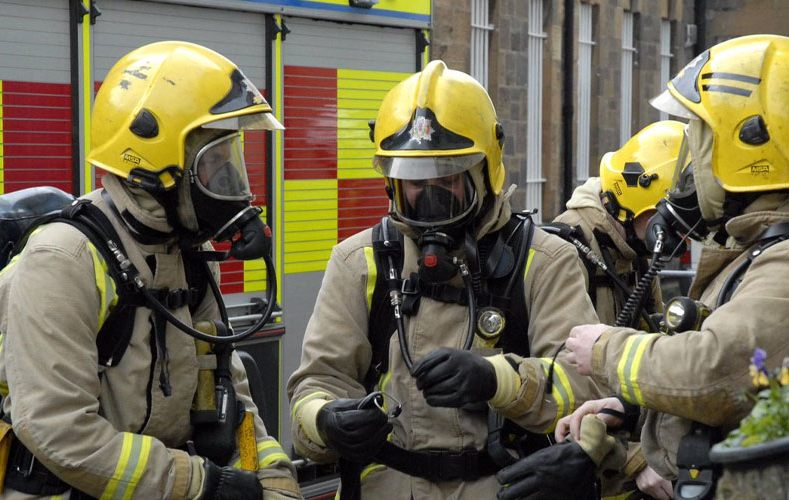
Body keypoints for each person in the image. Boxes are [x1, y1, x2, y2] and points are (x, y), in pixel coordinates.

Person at [0, 42, 301, 500]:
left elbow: (233, 399)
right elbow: (58, 430)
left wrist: (272, 475)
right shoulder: (63, 261)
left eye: (230, 160)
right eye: (213, 163)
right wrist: (199, 483)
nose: (232, 183)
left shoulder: (189, 256)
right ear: (156, 169)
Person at [287, 60, 601, 499]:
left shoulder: (545, 261)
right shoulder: (360, 261)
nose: (428, 191)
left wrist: (498, 382)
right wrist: (327, 420)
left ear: (484, 171)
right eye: (413, 178)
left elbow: (582, 388)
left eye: (448, 175)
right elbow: (317, 382)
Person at [563, 34, 789, 500]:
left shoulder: (781, 259)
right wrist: (632, 411)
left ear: (747, 146)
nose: (692, 167)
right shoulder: (754, 248)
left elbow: (716, 373)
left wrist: (606, 349)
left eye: (701, 140)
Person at [548, 120, 689, 499]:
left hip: (622, 445)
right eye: (668, 217)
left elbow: (654, 353)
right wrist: (639, 458)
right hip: (582, 462)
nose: (678, 233)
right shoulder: (568, 250)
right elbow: (569, 383)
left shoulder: (636, 251)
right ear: (634, 205)